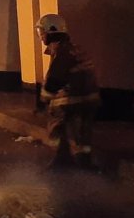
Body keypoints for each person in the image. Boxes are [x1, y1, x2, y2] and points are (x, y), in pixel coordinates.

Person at [35, 14, 99, 170]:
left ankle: (63, 161)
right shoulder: (73, 49)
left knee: (56, 128)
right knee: (82, 135)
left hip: (71, 100)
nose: (41, 36)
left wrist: (43, 100)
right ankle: (83, 163)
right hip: (89, 99)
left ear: (51, 32)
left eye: (41, 32)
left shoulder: (62, 52)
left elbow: (54, 80)